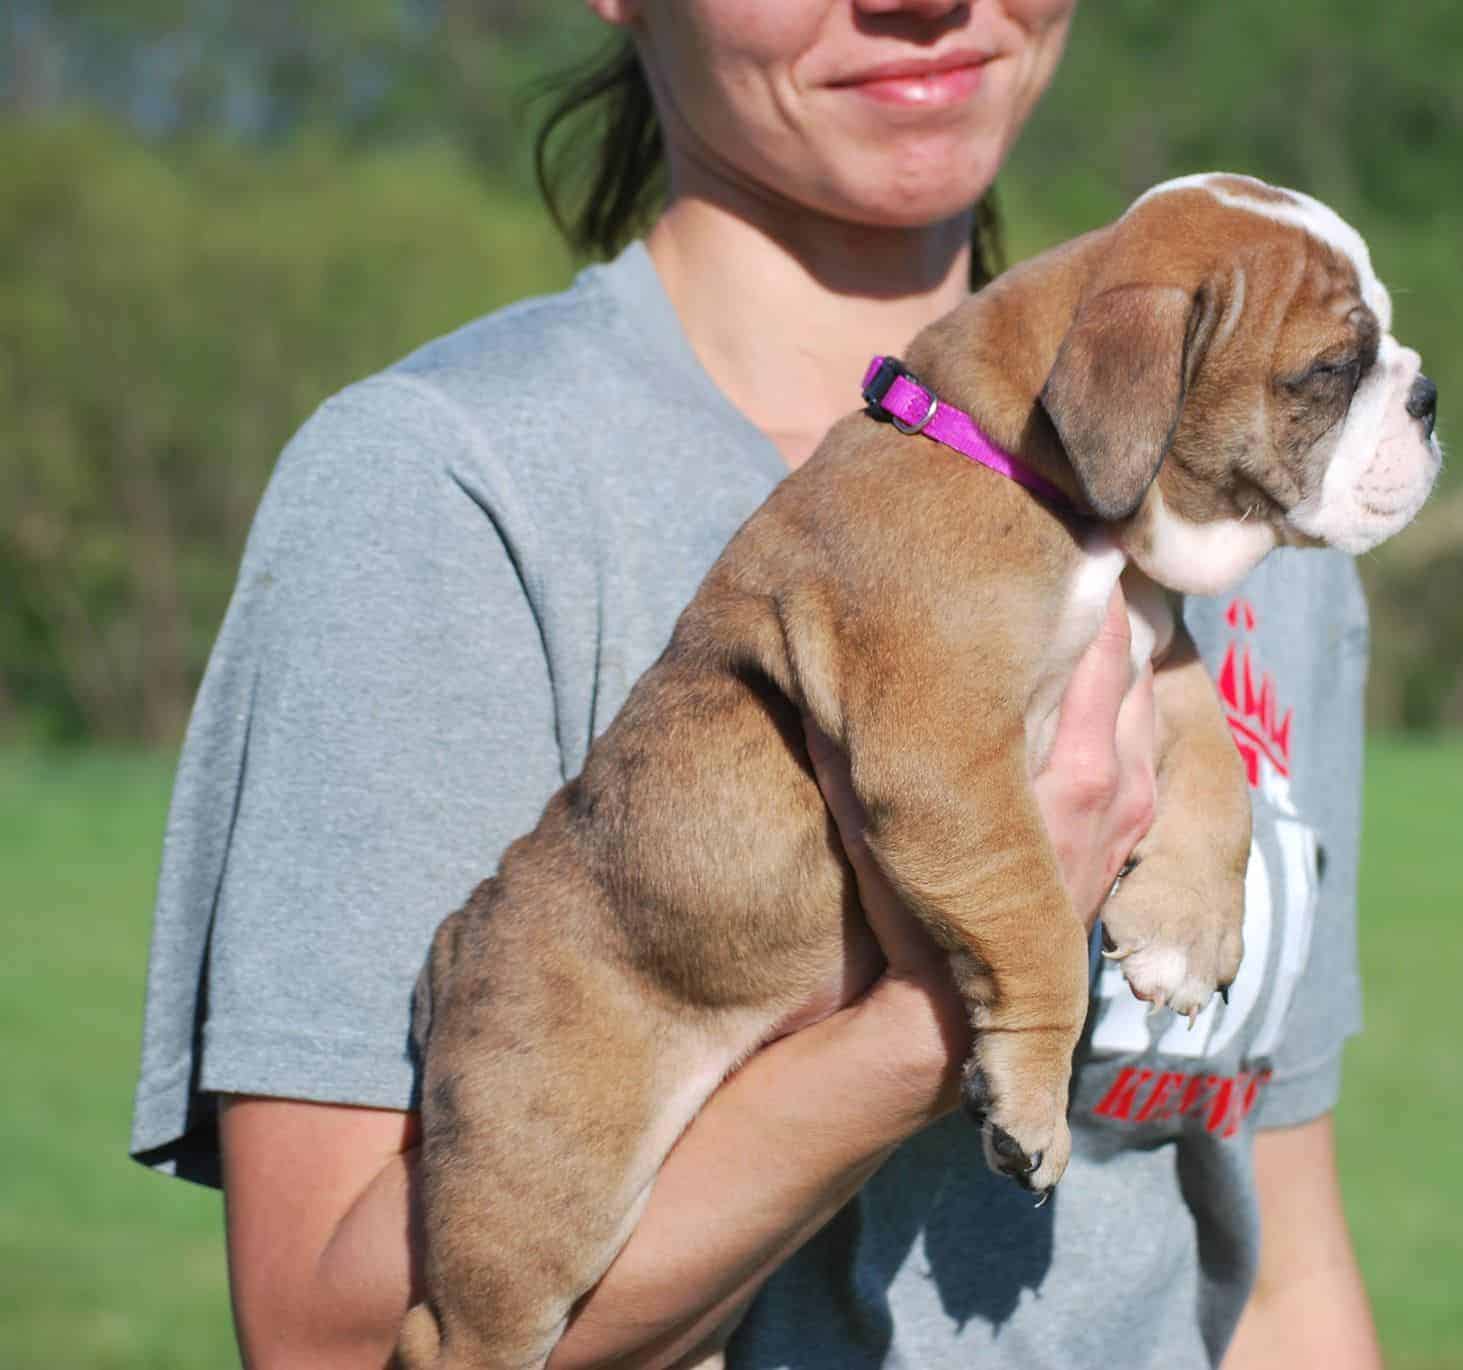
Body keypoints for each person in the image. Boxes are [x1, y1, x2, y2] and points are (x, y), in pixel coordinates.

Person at [128, 1, 1386, 1365]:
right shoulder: (442, 494)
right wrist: (934, 1019)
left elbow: (1275, 1282)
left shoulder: (1250, 480)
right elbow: (338, 1343)